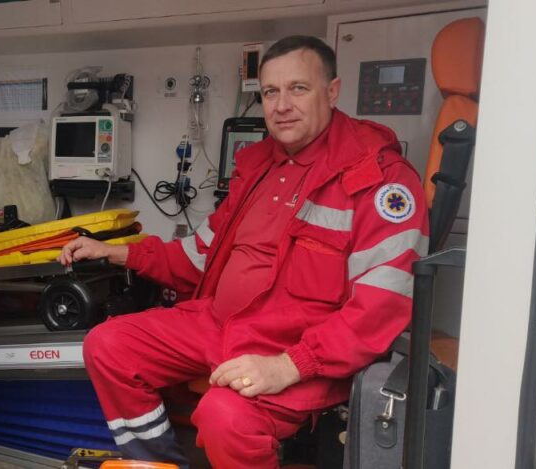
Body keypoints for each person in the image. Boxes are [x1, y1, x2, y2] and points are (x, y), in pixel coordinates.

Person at [58, 36, 428, 468]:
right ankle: (158, 463)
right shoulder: (258, 167)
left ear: (332, 92)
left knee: (225, 416)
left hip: (303, 349)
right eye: (270, 92)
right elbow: (198, 256)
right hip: (223, 324)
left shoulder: (380, 179)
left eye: (298, 88)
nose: (281, 105)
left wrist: (289, 365)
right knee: (107, 345)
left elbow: (381, 308)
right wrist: (117, 252)